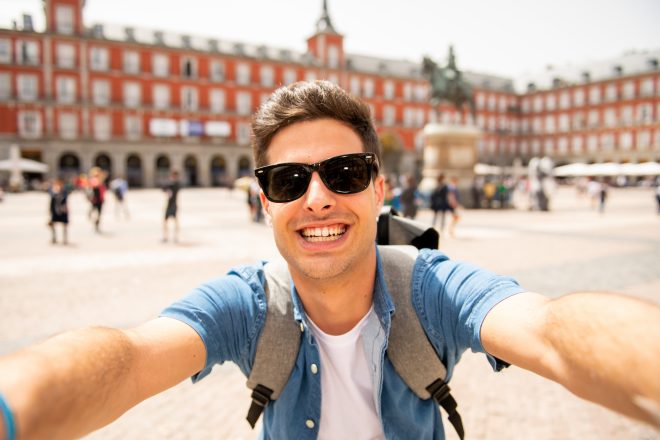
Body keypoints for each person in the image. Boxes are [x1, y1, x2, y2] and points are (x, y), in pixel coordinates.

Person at [1, 81, 660, 440]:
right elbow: (127, 360)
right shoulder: (248, 304)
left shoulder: (432, 290)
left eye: (344, 172)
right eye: (289, 180)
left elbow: (552, 329)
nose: (317, 198)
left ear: (380, 188)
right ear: (265, 202)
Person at [47, 177, 69, 245]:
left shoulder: (64, 190)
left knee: (64, 225)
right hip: (55, 210)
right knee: (53, 224)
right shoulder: (53, 190)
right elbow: (51, 198)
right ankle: (54, 238)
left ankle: (64, 239)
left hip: (63, 210)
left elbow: (65, 198)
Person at [162, 170, 181, 243]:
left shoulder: (175, 184)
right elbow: (163, 188)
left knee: (174, 221)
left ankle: (174, 237)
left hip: (172, 205)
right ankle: (167, 237)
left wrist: (169, 183)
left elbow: (164, 188)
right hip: (171, 204)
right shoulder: (174, 184)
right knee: (167, 221)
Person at [86, 167, 106, 233]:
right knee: (94, 210)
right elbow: (93, 187)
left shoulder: (101, 181)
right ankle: (91, 215)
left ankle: (97, 224)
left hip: (100, 199)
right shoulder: (93, 180)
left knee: (99, 213)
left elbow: (103, 190)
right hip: (95, 199)